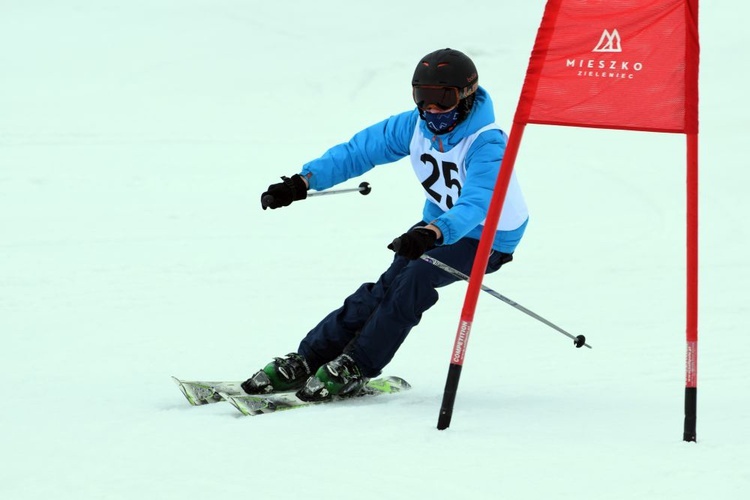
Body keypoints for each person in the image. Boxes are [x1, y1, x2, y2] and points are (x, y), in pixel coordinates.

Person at [243, 48, 529, 401]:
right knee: (385, 287)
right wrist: (303, 181)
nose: (431, 109)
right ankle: (309, 358)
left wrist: (433, 233)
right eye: (422, 98)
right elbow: (359, 151)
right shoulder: (414, 125)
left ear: (466, 97)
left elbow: (477, 202)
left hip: (489, 236)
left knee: (415, 280)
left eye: (443, 98)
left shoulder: (487, 142)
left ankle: (357, 365)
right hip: (437, 224)